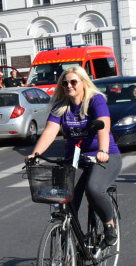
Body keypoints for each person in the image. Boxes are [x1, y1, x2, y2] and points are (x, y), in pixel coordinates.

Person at [27, 66, 121, 243]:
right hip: (75, 159)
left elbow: (103, 125)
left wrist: (103, 151)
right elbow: (50, 132)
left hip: (103, 156)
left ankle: (109, 223)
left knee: (93, 189)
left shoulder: (96, 100)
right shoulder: (61, 107)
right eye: (65, 82)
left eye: (73, 81)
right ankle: (68, 254)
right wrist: (36, 154)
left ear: (83, 83)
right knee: (65, 203)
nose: (69, 85)